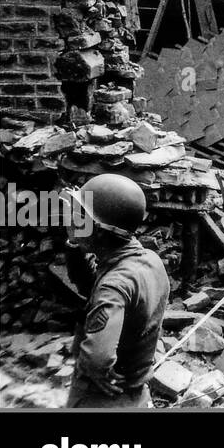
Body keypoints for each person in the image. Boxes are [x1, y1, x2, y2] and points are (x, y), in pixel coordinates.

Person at [62, 173, 169, 408]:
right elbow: (92, 287)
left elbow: (98, 357)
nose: (71, 220)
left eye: (80, 218)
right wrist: (74, 244)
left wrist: (95, 369)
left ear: (100, 230)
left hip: (103, 399)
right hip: (136, 391)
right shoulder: (148, 260)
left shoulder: (114, 286)